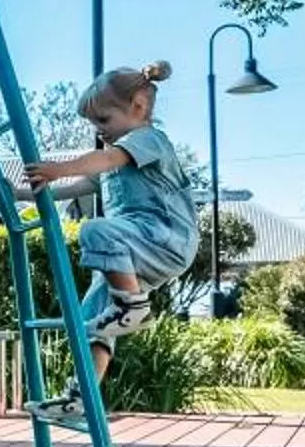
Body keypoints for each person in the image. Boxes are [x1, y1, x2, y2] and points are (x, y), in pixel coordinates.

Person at [18, 60, 200, 407]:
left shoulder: (148, 139)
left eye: (104, 120)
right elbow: (79, 185)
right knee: (92, 319)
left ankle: (133, 307)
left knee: (95, 230)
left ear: (138, 107)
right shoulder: (115, 155)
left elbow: (107, 160)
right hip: (135, 248)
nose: (99, 130)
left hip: (164, 236)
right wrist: (22, 194)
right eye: (94, 124)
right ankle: (80, 398)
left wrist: (58, 168)